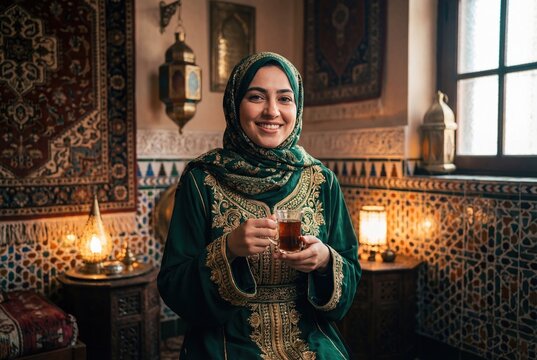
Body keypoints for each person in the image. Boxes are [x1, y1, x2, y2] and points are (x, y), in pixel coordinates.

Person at [158, 52, 361, 359]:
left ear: (297, 107)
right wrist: (227, 250)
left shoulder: (322, 180)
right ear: (234, 104)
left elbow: (351, 271)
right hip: (225, 339)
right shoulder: (202, 180)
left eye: (285, 98)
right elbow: (173, 283)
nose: (272, 111)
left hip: (310, 339)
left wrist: (325, 261)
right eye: (256, 97)